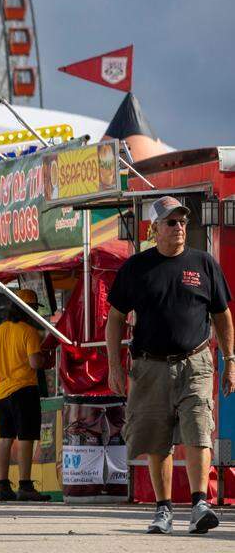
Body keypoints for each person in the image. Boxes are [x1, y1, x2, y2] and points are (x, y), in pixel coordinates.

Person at [106, 196, 234, 535]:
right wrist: (115, 366)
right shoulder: (136, 267)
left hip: (196, 363)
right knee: (156, 439)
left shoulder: (204, 264)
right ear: (154, 229)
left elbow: (223, 316)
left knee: (198, 430)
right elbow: (115, 318)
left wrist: (230, 360)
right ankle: (163, 510)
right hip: (149, 367)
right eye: (171, 222)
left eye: (182, 221)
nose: (179, 227)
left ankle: (198, 505)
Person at [0, 289, 50, 502]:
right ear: (28, 309)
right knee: (26, 437)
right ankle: (25, 485)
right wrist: (45, 357)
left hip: (3, 391)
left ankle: (3, 485)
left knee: (6, 438)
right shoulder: (28, 331)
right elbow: (35, 362)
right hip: (24, 388)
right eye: (34, 308)